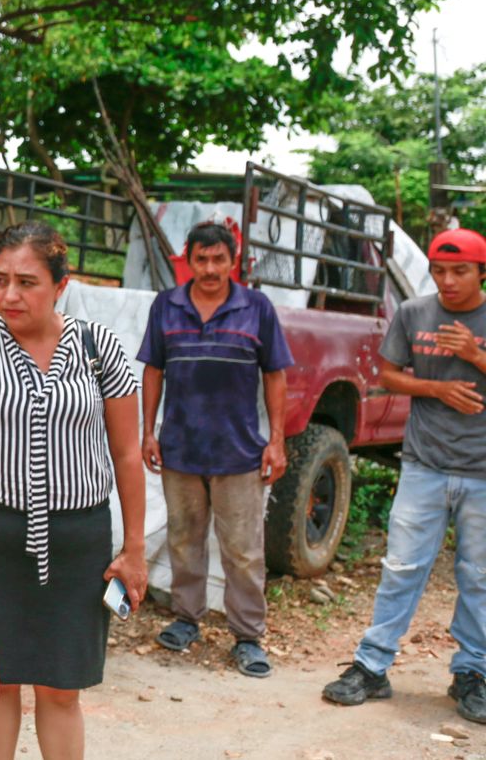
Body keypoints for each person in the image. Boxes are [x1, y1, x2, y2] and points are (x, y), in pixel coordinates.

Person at [0, 221, 146, 760]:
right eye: (0, 279)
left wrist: (134, 548)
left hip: (78, 544)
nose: (9, 295)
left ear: (60, 285)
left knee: (61, 689)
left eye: (27, 282)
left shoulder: (100, 350)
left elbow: (127, 454)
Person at [321, 227, 486, 725]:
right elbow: (388, 375)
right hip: (424, 465)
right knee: (401, 568)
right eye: (439, 271)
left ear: (482, 272)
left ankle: (473, 673)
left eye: (460, 271)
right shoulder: (414, 313)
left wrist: (475, 356)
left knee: (480, 577)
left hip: (482, 472)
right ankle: (371, 667)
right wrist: (437, 389)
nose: (448, 281)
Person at [137, 221, 293, 678]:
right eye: (200, 259)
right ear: (188, 260)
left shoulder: (256, 308)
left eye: (218, 259)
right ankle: (187, 619)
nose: (209, 269)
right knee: (184, 540)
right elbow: (153, 371)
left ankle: (248, 637)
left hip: (239, 452)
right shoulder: (167, 306)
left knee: (243, 551)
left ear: (233, 260)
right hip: (180, 449)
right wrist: (149, 432)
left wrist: (277, 441)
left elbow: (275, 375)